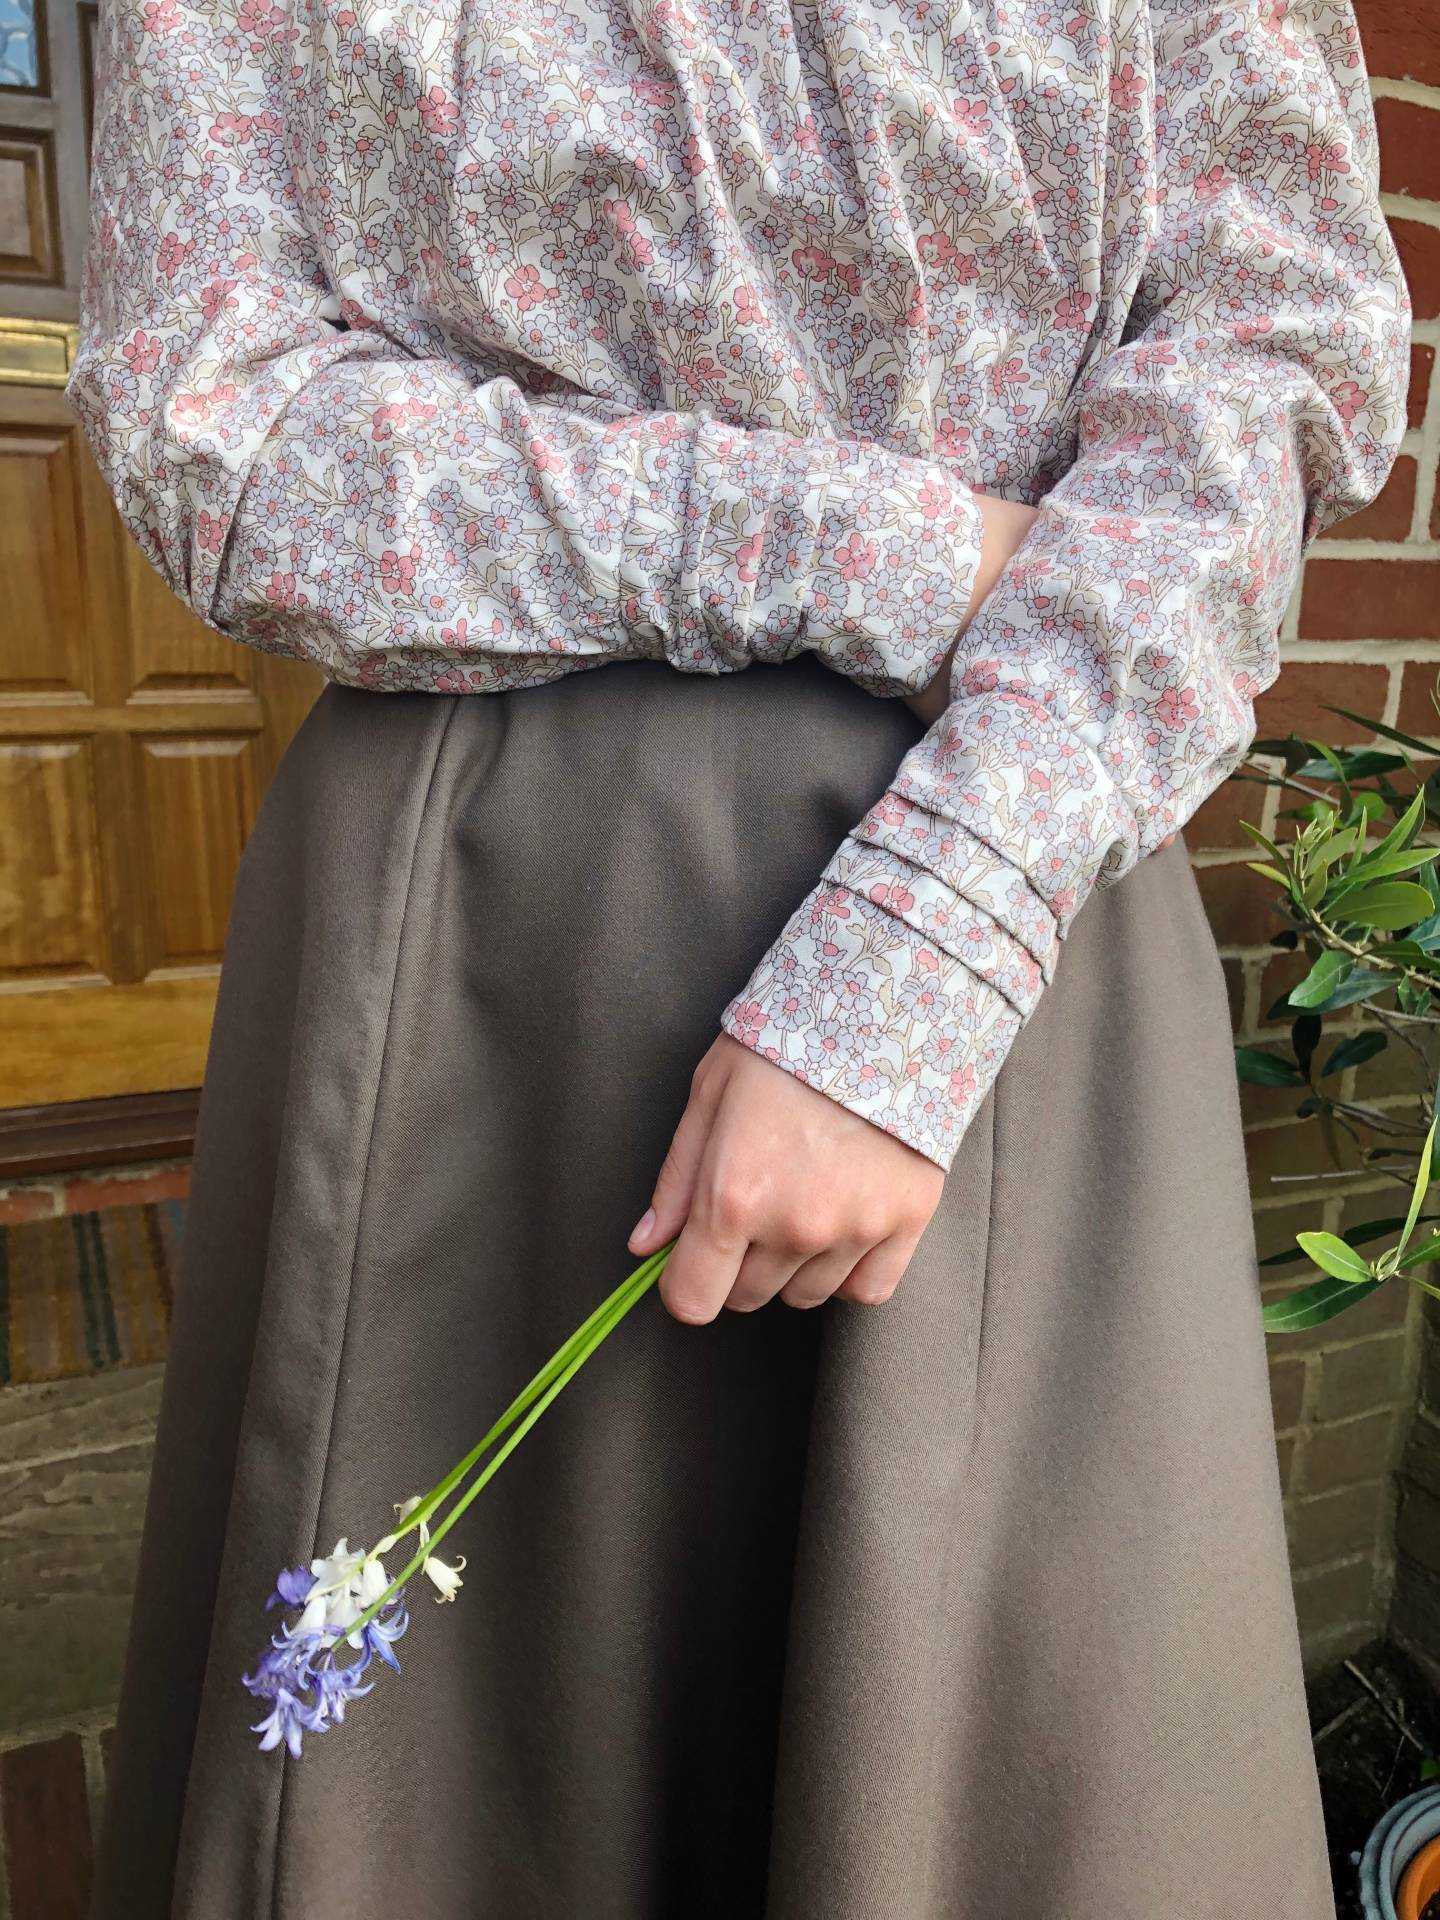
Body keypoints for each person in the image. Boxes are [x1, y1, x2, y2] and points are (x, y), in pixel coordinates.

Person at [71, 0, 1410, 1913]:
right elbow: (217, 425)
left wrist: (932, 940)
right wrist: (880, 545)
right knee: (442, 1798)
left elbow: (1266, 363)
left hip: (1013, 907)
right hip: (467, 973)